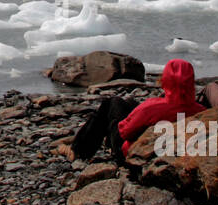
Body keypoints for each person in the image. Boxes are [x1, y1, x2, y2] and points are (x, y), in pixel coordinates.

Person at [72, 59, 204, 165]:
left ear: (166, 80)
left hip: (135, 156)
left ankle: (78, 150)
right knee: (129, 103)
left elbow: (125, 131)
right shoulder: (200, 111)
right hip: (172, 151)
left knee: (112, 103)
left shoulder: (153, 107)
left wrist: (126, 120)